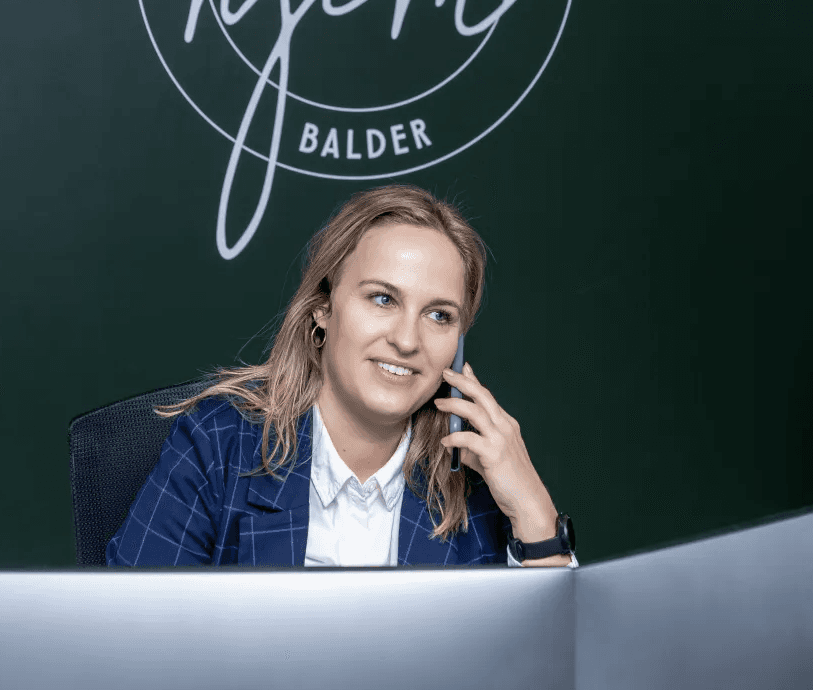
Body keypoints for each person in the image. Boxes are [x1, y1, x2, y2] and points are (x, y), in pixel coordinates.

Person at [106, 184, 577, 568]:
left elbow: (558, 666)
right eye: (382, 299)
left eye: (439, 316)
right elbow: (126, 645)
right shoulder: (220, 444)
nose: (408, 341)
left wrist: (534, 508)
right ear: (323, 308)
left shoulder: (477, 482)